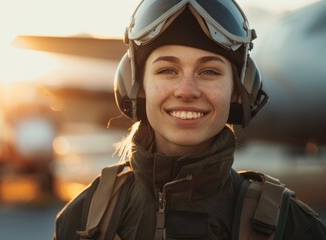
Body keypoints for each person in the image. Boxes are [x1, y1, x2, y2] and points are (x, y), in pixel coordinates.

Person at [54, 0, 326, 239]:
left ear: (239, 90)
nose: (186, 90)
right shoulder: (83, 219)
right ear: (136, 87)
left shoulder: (291, 226)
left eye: (209, 72)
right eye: (167, 70)